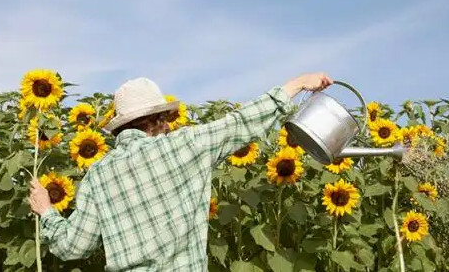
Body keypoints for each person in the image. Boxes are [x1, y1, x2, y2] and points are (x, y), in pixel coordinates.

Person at [29, 73, 333, 271]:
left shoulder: (98, 175)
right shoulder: (184, 146)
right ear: (158, 119)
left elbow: (74, 247)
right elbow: (240, 123)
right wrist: (296, 85)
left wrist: (47, 212)